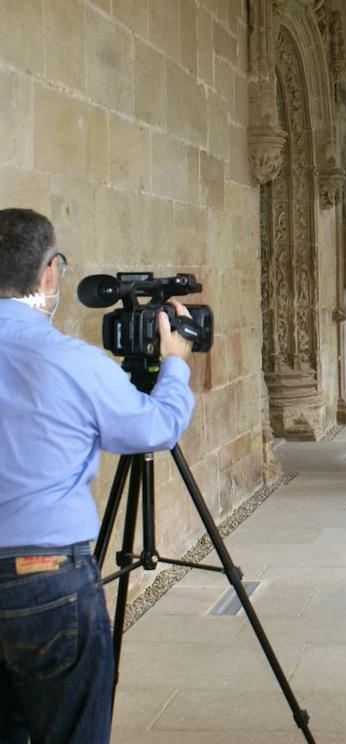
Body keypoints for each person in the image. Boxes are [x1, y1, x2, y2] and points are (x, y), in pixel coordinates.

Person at [0, 208, 196, 743]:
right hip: (44, 575)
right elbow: (155, 427)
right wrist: (174, 361)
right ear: (48, 273)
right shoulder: (70, 360)